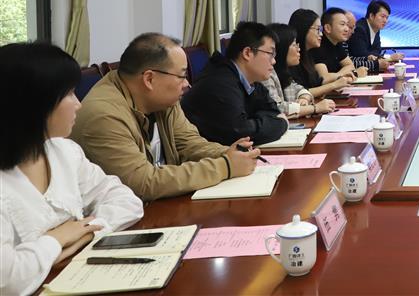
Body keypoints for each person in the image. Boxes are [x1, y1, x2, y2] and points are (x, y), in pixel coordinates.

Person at [1, 42, 144, 296]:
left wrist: (84, 234)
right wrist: (57, 238)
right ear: (35, 104)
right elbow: (8, 281)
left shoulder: (63, 150)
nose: (78, 104)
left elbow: (127, 201)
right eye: (68, 94)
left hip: (76, 277)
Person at [71, 33, 259, 202]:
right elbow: (142, 183)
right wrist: (225, 166)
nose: (187, 84)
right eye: (182, 76)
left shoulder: (162, 101)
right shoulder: (104, 116)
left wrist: (229, 153)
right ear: (149, 79)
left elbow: (189, 143)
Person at [182, 22, 288, 146]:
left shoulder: (250, 81)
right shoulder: (220, 83)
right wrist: (281, 124)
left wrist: (255, 122)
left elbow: (273, 111)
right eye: (270, 54)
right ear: (247, 53)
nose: (274, 61)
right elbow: (239, 133)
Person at [261, 23, 335, 117]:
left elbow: (299, 89)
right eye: (294, 45)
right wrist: (314, 108)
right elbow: (277, 108)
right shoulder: (267, 74)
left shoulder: (283, 71)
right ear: (282, 48)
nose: (298, 49)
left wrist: (304, 98)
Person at [289, 9, 354, 98]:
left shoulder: (308, 54)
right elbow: (299, 92)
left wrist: (339, 78)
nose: (321, 34)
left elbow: (318, 82)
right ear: (304, 29)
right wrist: (334, 84)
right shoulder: (293, 57)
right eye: (318, 29)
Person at [347, 0, 402, 71]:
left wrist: (377, 57)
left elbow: (377, 50)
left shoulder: (375, 28)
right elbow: (361, 54)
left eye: (387, 17)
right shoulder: (359, 29)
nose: (385, 21)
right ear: (371, 16)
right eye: (382, 16)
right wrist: (389, 58)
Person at [308, 8, 360, 81]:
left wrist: (338, 75)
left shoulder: (337, 43)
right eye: (342, 24)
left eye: (347, 25)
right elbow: (324, 78)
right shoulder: (318, 45)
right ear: (328, 28)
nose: (347, 29)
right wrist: (343, 75)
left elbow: (350, 66)